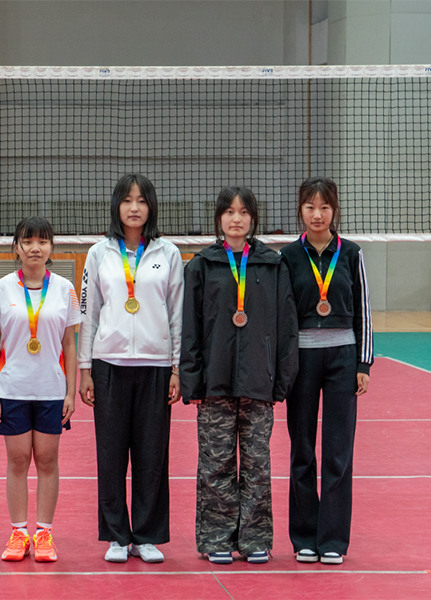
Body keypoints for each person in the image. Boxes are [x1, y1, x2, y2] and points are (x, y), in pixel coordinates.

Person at [180, 186, 298, 565]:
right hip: (214, 384)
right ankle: (216, 538)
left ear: (253, 219)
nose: (236, 218)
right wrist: (192, 380)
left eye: (244, 212)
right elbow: (190, 328)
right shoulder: (201, 265)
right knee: (215, 464)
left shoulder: (273, 265)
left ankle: (255, 539)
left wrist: (281, 379)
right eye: (229, 212)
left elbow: (286, 326)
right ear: (219, 218)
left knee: (257, 465)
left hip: (259, 383)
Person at [78, 173, 184, 563]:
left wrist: (176, 368)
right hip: (109, 364)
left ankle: (147, 535)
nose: (134, 207)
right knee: (110, 454)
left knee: (151, 454)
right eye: (127, 200)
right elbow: (89, 312)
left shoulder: (169, 253)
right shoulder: (98, 254)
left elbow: (176, 314)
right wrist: (85, 368)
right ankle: (116, 536)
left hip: (156, 366)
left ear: (151, 206)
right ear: (116, 206)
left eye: (141, 200)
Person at [281, 176, 373, 565]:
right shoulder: (288, 256)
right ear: (300, 210)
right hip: (301, 362)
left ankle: (333, 539)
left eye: (324, 207)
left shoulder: (351, 253)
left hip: (342, 361)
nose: (317, 214)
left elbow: (363, 311)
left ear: (334, 210)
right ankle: (304, 536)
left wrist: (363, 363)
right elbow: (282, 316)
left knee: (338, 451)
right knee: (302, 449)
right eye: (310, 207)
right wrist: (283, 365)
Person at [0, 216, 80, 563]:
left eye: (42, 241)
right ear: (17, 247)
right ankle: (18, 532)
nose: (35, 248)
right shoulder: (0, 289)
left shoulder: (65, 290)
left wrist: (70, 393)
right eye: (27, 241)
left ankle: (44, 533)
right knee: (18, 460)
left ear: (52, 247)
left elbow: (70, 344)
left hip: (52, 390)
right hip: (13, 389)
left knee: (48, 461)